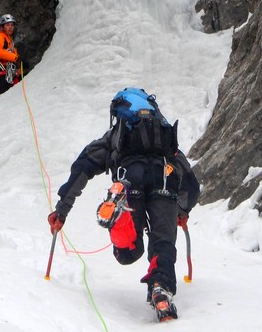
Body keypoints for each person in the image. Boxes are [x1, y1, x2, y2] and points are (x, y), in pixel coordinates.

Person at [47, 87, 200, 322]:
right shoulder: (166, 141)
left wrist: (61, 210)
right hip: (164, 177)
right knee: (163, 243)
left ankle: (121, 213)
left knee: (128, 253)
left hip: (129, 176)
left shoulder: (116, 136)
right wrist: (181, 211)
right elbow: (191, 184)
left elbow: (83, 167)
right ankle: (160, 288)